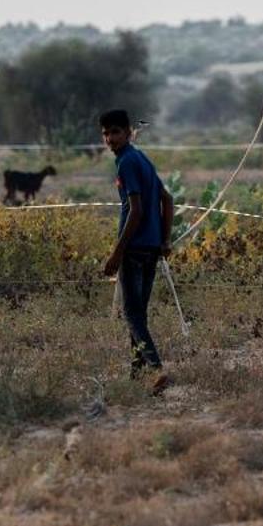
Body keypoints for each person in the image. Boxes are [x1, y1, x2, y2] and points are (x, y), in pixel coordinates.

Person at [100, 108, 175, 393]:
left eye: (116, 132)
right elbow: (167, 200)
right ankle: (136, 373)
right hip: (151, 247)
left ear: (128, 132)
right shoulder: (141, 158)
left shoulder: (127, 163)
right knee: (138, 313)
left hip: (133, 249)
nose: (110, 139)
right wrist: (165, 240)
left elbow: (136, 210)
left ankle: (156, 369)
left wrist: (117, 253)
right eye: (106, 133)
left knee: (131, 314)